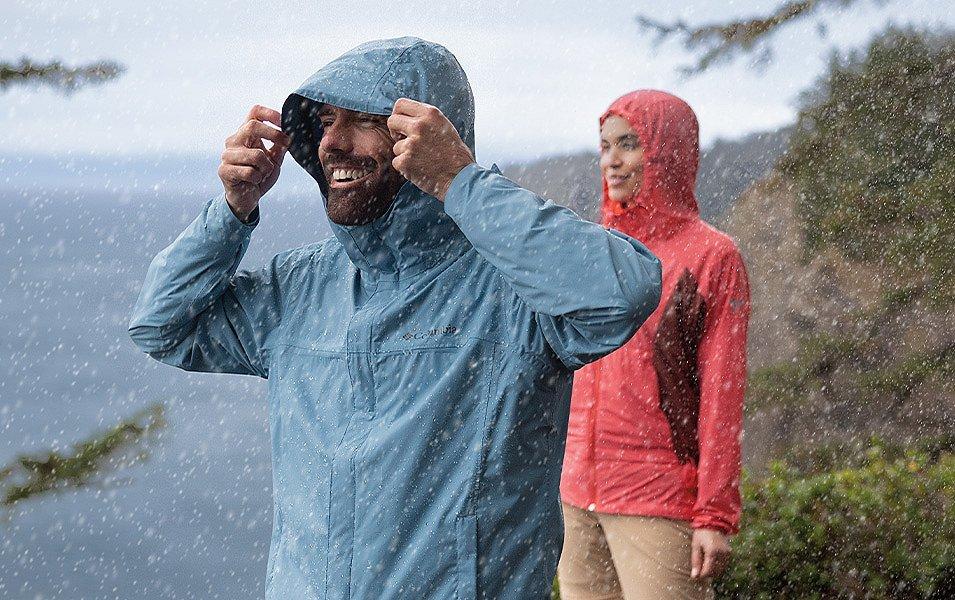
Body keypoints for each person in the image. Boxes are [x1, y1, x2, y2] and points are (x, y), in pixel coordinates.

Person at [128, 38, 662, 599]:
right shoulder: (301, 287)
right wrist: (233, 209)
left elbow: (623, 292)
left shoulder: (513, 288)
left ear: (427, 136)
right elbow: (162, 325)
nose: (331, 141)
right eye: (325, 122)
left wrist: (461, 182)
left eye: (363, 120)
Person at [557, 90, 751, 600]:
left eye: (628, 144)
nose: (611, 162)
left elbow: (721, 395)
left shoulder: (713, 256)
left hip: (659, 497)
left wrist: (714, 513)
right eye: (604, 147)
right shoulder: (594, 245)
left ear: (668, 151)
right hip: (576, 496)